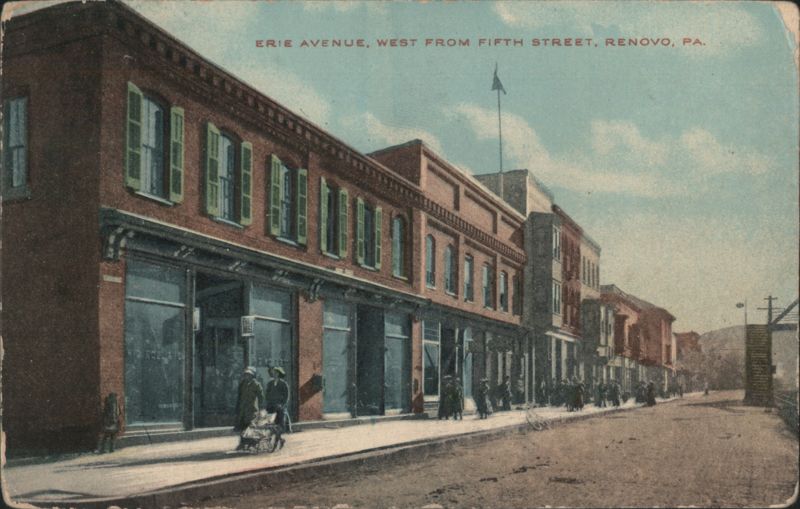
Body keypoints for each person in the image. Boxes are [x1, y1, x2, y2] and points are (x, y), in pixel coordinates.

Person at [235, 367, 264, 450]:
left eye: (249, 375)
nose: (247, 377)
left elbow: (261, 397)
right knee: (242, 427)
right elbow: (239, 396)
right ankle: (242, 443)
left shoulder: (256, 384)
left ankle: (252, 443)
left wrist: (261, 407)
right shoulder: (243, 384)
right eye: (246, 375)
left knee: (250, 427)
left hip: (252, 409)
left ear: (253, 376)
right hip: (243, 410)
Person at [264, 367, 290, 438]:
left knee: (279, 423)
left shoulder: (283, 384)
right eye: (273, 372)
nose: (274, 374)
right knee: (270, 423)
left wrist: (282, 405)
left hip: (279, 406)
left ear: (279, 374)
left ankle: (279, 438)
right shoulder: (270, 383)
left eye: (276, 372)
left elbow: (286, 396)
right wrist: (267, 402)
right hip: (271, 406)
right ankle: (271, 437)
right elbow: (267, 394)